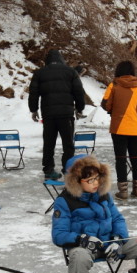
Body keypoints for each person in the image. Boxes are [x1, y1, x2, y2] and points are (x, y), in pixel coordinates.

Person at [28, 50, 86, 180]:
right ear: (61, 59)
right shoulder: (71, 72)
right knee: (68, 144)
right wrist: (79, 108)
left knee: (49, 144)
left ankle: (48, 170)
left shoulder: (40, 73)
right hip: (66, 115)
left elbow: (33, 93)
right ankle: (68, 170)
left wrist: (33, 110)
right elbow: (79, 92)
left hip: (49, 115)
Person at [102, 61, 137, 199]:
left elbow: (106, 104)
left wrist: (115, 109)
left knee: (120, 159)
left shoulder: (114, 85)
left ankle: (123, 191)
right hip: (135, 128)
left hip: (119, 128)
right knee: (135, 158)